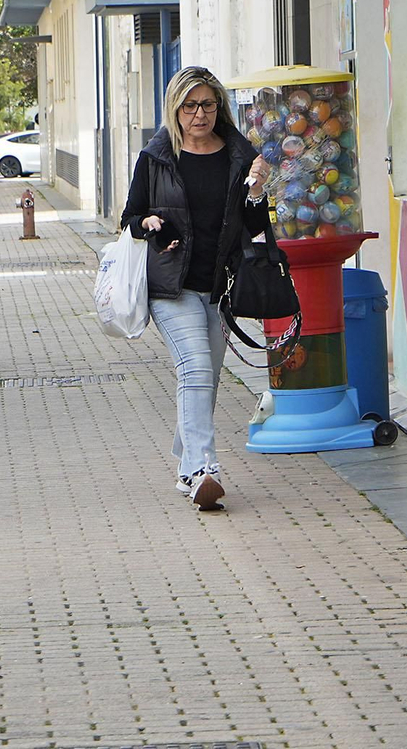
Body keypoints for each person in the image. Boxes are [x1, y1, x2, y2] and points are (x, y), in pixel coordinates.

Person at [120, 66, 270, 511]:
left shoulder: (240, 156)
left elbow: (257, 225)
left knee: (204, 380)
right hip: (172, 285)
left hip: (219, 287)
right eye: (190, 106)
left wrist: (259, 191)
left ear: (218, 107)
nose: (199, 114)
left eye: (207, 104)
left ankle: (187, 468)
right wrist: (147, 223)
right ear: (176, 109)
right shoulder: (157, 156)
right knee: (196, 370)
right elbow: (130, 215)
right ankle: (206, 469)